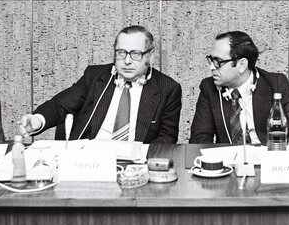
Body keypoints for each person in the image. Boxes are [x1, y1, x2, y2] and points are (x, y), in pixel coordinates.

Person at [20, 25, 181, 143]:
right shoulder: (96, 77)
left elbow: (166, 138)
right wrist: (38, 119)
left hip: (135, 165)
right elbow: (60, 105)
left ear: (150, 56)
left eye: (135, 54)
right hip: (89, 160)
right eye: (121, 53)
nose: (126, 61)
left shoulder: (167, 89)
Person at [190, 31, 289, 144]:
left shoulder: (276, 84)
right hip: (229, 161)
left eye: (218, 62)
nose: (211, 66)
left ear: (242, 65)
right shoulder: (209, 88)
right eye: (211, 60)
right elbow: (199, 141)